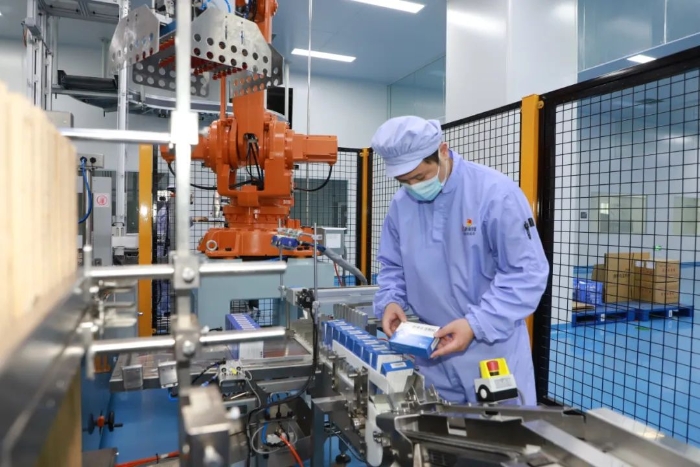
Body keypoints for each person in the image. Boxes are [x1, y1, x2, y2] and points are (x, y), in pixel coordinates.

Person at [371, 116, 549, 405]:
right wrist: (391, 300)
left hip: (490, 350)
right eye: (404, 181)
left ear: (443, 151)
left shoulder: (495, 194)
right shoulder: (401, 205)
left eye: (420, 177)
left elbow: (527, 273)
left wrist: (476, 324)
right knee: (438, 429)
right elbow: (393, 266)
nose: (413, 187)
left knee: (500, 429)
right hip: (432, 354)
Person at [155, 185, 207, 316]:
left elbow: (178, 223)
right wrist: (193, 220)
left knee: (170, 280)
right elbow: (173, 227)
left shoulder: (171, 210)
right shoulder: (166, 211)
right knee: (166, 281)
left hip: (170, 249)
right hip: (165, 250)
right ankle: (164, 311)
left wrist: (194, 219)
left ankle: (167, 309)